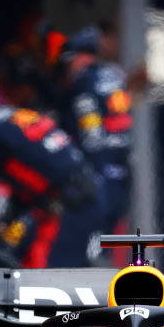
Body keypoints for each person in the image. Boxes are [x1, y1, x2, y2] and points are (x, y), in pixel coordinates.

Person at [0, 70, 102, 268]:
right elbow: (30, 178)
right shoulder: (6, 118)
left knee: (44, 281)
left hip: (70, 205)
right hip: (76, 198)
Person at [44, 25, 132, 233]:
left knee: (88, 252)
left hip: (96, 180)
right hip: (120, 175)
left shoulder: (83, 85)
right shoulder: (114, 77)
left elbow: (91, 138)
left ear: (76, 57)